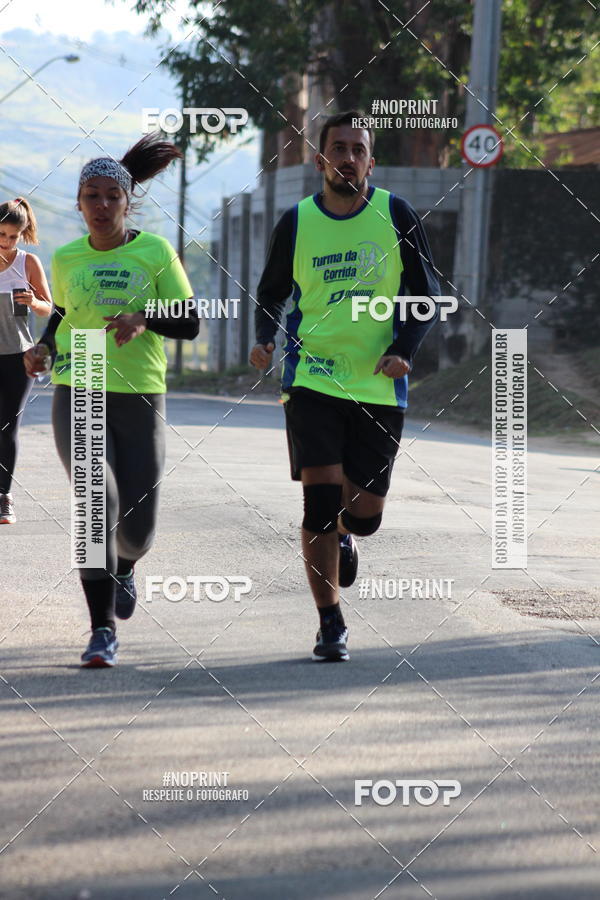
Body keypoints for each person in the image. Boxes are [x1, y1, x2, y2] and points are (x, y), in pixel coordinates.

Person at [250, 110, 440, 662]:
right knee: (319, 499)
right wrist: (265, 338)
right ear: (321, 159)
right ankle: (330, 621)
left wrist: (404, 349)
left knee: (365, 513)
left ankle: (347, 532)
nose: (349, 158)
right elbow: (270, 293)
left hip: (378, 385)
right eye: (339, 148)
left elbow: (424, 295)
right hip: (310, 378)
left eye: (359, 149)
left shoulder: (395, 214)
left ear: (371, 161)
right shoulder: (297, 220)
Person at [24, 134, 199, 668]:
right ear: (79, 204)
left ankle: (125, 568)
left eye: (111, 197)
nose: (101, 206)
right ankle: (101, 630)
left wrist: (142, 317)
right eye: (91, 196)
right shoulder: (68, 256)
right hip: (82, 380)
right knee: (96, 502)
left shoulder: (154, 252)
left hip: (141, 389)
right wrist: (44, 347)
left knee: (137, 531)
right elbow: (63, 314)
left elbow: (190, 322)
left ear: (128, 203)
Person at [0, 198, 52, 524]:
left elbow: (49, 307)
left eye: (12, 236)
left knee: (7, 427)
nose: (6, 242)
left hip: (19, 356)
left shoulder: (28, 262)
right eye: (1, 235)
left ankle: (4, 497)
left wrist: (34, 301)